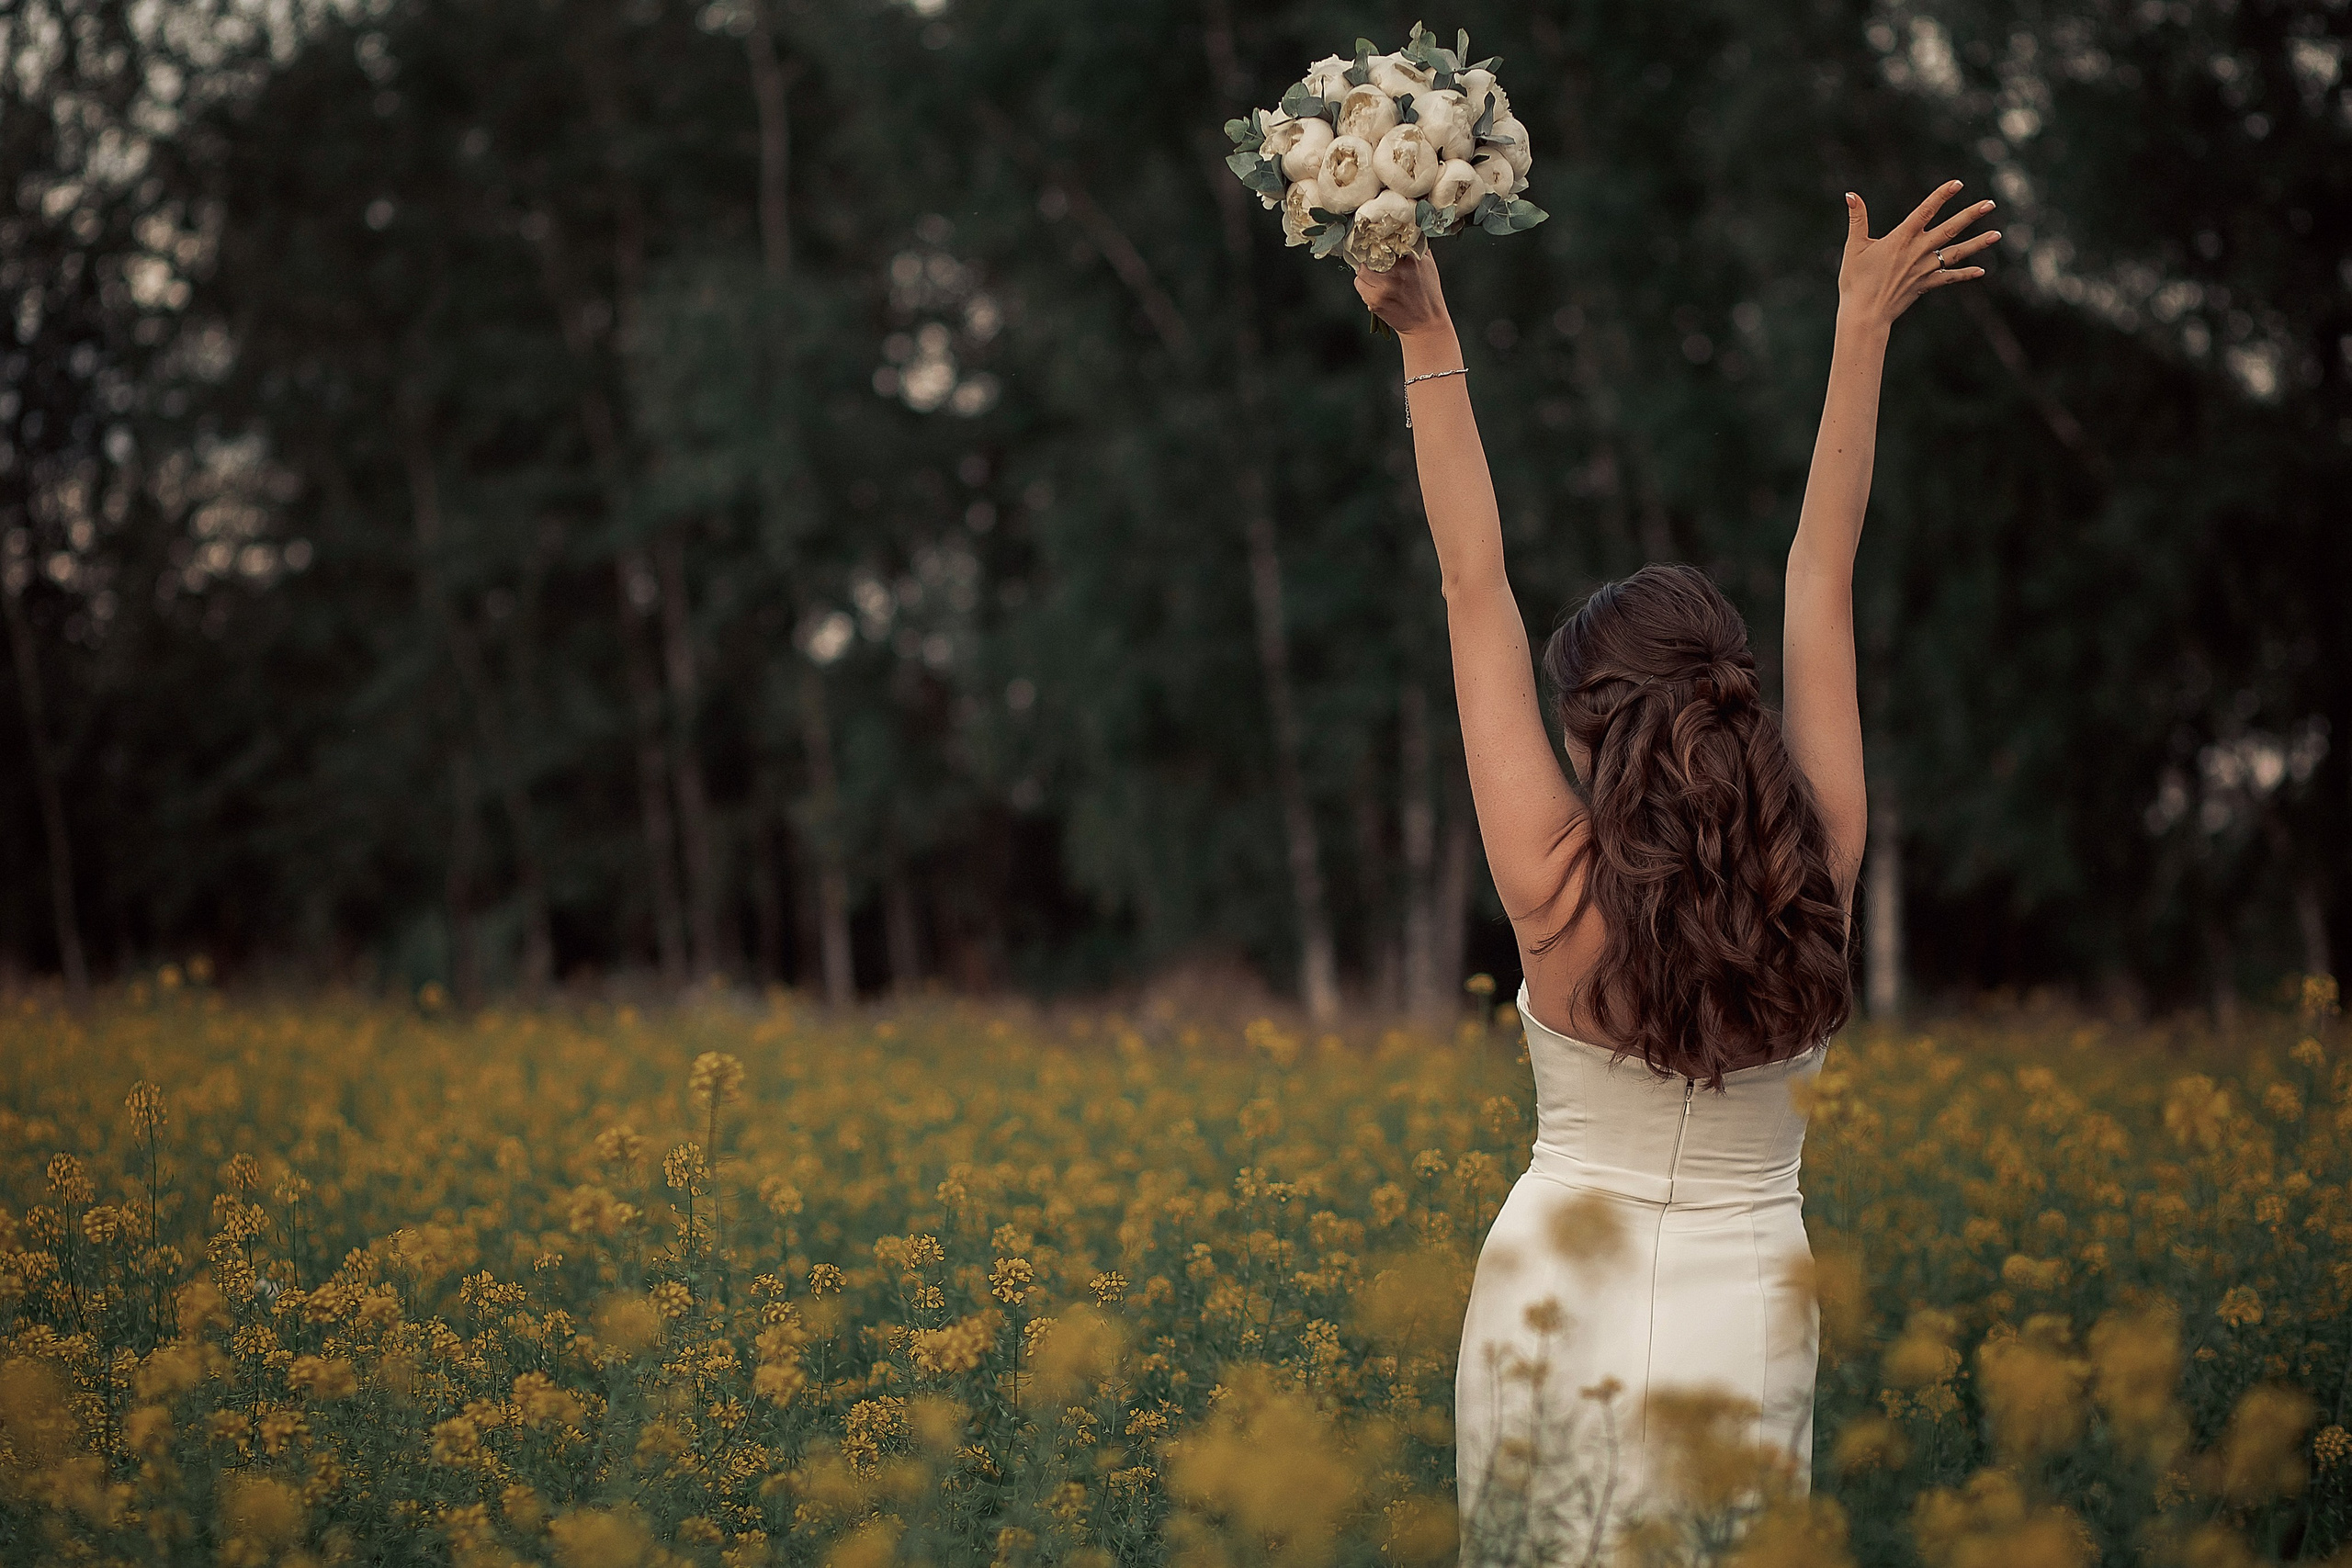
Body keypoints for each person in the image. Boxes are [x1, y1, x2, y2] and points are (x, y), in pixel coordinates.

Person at [1353, 182, 1999, 1558]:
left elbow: (1474, 579)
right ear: (1736, 696)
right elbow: (1822, 565)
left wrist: (1428, 331)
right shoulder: (1815, 856)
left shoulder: (1552, 887)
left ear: (1589, 730)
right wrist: (1861, 324)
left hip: (1549, 1291)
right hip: (1753, 1298)